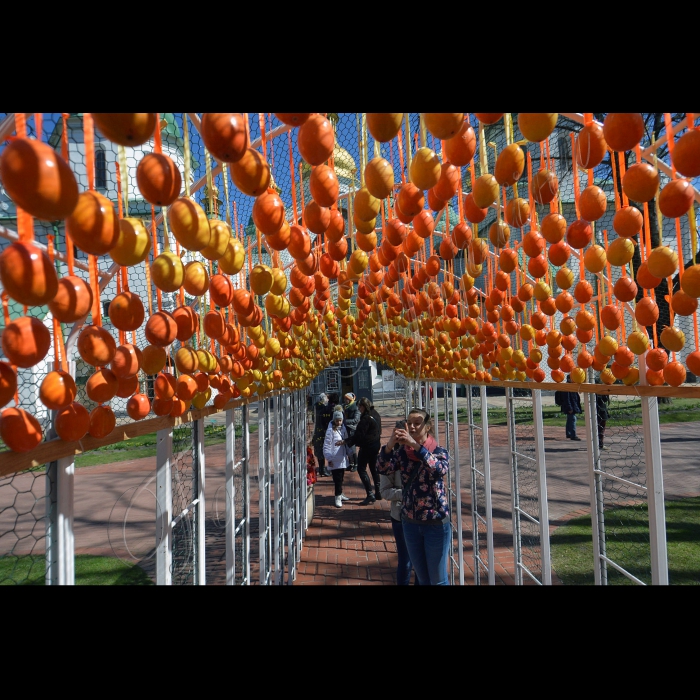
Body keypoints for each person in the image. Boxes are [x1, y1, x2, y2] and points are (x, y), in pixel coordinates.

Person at [376, 408, 451, 585]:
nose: (412, 426)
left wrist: (417, 446)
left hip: (435, 524)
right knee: (423, 579)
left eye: (417, 423)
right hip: (410, 523)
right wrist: (389, 445)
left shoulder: (439, 452)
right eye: (409, 423)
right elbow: (383, 468)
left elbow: (439, 470)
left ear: (428, 426)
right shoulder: (403, 453)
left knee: (438, 580)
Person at [338, 396, 382, 505]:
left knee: (361, 469)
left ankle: (370, 494)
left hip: (367, 446)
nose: (359, 409)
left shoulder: (366, 418)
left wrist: (346, 441)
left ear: (363, 406)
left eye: (359, 407)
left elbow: (358, 435)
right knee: (373, 468)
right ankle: (378, 492)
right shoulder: (376, 414)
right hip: (376, 445)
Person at [380, 469, 419, 585]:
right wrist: (406, 493)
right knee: (405, 561)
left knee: (421, 562)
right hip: (400, 517)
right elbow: (384, 491)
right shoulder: (389, 460)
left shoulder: (424, 455)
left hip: (424, 517)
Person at [324, 406, 351, 508]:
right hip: (335, 459)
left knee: (341, 478)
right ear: (334, 420)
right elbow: (326, 445)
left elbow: (346, 441)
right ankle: (337, 497)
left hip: (342, 458)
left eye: (340, 420)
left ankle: (340, 493)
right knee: (337, 479)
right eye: (337, 420)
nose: (339, 422)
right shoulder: (330, 430)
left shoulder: (343, 428)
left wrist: (349, 453)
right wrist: (329, 458)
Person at [312, 393, 333, 476]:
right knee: (322, 449)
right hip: (322, 431)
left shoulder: (315, 407)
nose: (327, 400)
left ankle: (321, 468)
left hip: (316, 431)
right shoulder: (324, 408)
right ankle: (322, 469)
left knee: (318, 449)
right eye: (326, 399)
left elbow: (314, 419)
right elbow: (326, 420)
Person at [560, 376, 582, 441]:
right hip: (570, 407)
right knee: (573, 419)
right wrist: (569, 408)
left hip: (572, 406)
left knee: (570, 419)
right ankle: (573, 435)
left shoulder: (572, 386)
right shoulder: (567, 387)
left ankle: (568, 433)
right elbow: (567, 399)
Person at [342, 392, 360, 472]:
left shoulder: (356, 407)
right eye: (345, 398)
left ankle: (356, 464)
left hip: (353, 430)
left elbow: (356, 420)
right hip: (346, 429)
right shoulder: (345, 407)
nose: (345, 400)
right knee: (347, 447)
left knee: (352, 448)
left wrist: (345, 421)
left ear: (350, 399)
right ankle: (350, 463)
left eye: (347, 399)